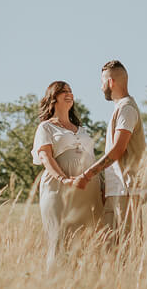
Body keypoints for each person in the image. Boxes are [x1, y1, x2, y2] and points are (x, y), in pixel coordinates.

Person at [71, 60, 146, 245]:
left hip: (126, 190)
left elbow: (117, 150)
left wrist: (88, 175)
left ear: (111, 82)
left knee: (126, 250)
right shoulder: (120, 108)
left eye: (102, 81)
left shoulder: (126, 109)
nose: (101, 86)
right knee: (111, 250)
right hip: (116, 190)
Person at [31, 81, 103, 270]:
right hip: (59, 190)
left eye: (71, 91)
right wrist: (64, 179)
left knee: (85, 242)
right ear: (53, 98)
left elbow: (93, 160)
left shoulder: (82, 130)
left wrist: (101, 186)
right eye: (64, 91)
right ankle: (54, 288)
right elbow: (45, 156)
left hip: (87, 191)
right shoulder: (46, 128)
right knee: (60, 240)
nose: (69, 94)